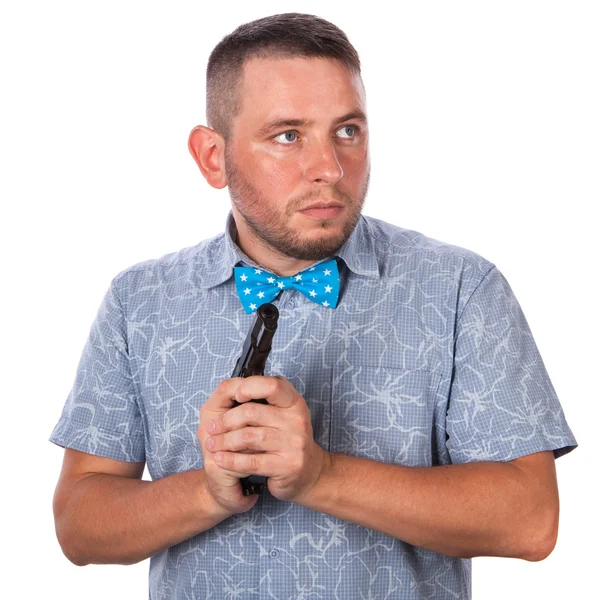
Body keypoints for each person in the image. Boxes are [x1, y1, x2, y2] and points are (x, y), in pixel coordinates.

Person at [49, 12, 577, 599]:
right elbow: (79, 523)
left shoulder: (461, 289)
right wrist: (206, 491)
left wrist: (321, 475)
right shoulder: (139, 301)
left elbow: (530, 520)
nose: (329, 169)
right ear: (212, 157)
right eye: (288, 136)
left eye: (347, 131)